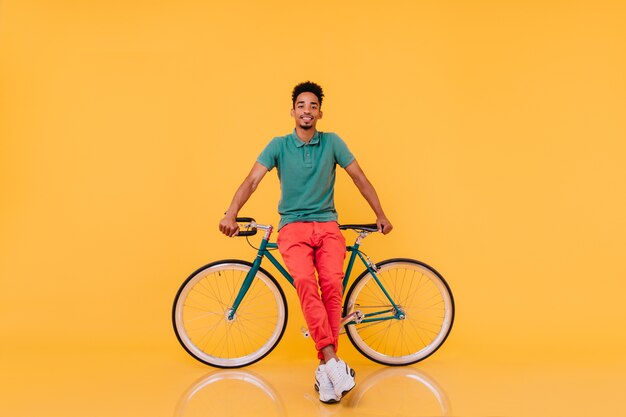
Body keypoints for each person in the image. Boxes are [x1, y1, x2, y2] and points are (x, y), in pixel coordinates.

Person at [218, 81, 392, 404]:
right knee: (303, 281)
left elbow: (360, 178)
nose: (307, 111)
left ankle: (327, 372)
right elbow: (252, 180)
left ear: (320, 113)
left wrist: (380, 213)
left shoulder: (332, 143)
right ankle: (332, 361)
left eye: (313, 106)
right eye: (301, 106)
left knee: (332, 284)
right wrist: (231, 213)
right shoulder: (278, 145)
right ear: (293, 111)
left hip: (327, 225)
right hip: (293, 228)